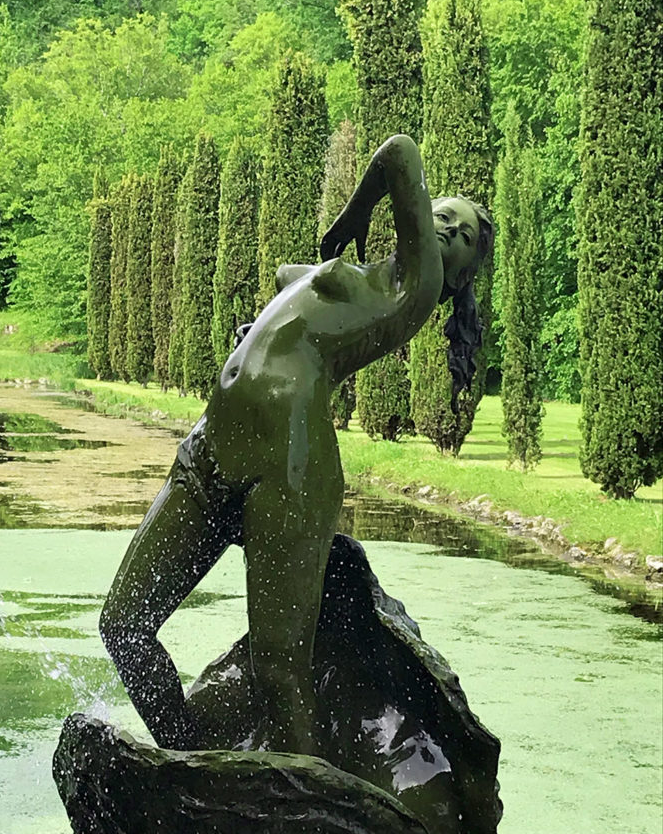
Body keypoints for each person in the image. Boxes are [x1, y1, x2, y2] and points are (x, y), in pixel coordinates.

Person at [100, 134, 493, 757]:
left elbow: (399, 154)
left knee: (279, 673)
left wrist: (356, 212)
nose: (446, 228)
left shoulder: (414, 287)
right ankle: (187, 764)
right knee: (123, 626)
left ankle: (311, 811)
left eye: (463, 234)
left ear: (460, 276)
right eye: (441, 215)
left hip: (290, 465)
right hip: (211, 449)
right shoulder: (366, 277)